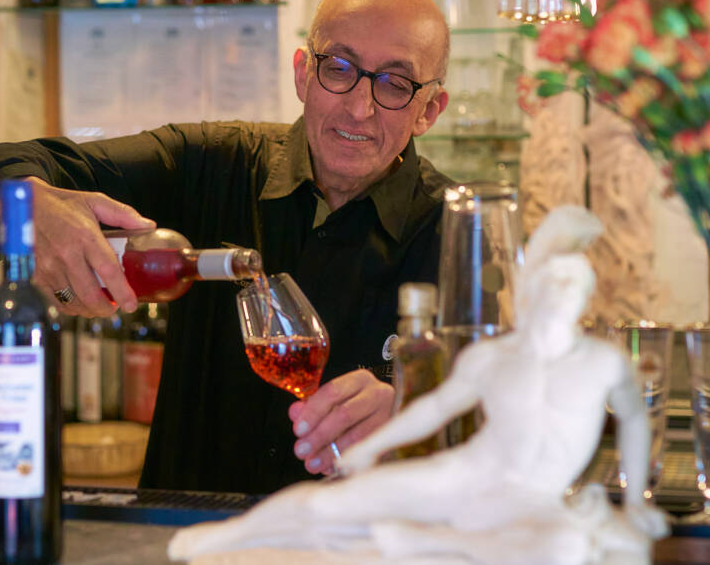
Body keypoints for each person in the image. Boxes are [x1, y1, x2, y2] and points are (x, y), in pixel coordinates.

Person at [0, 0, 452, 494]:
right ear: (304, 74)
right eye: (340, 69)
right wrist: (32, 205)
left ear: (429, 111)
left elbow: (513, 402)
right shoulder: (213, 162)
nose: (359, 107)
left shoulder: (456, 228)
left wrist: (417, 411)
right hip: (180, 537)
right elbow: (16, 160)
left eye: (396, 85)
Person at [167, 207, 669, 564]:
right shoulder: (494, 357)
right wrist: (373, 449)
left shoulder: (601, 362)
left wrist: (641, 502)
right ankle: (222, 539)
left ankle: (414, 542)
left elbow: (634, 421)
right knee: (330, 505)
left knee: (559, 550)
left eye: (569, 286)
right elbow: (429, 413)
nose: (557, 295)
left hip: (529, 500)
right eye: (549, 283)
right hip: (464, 473)